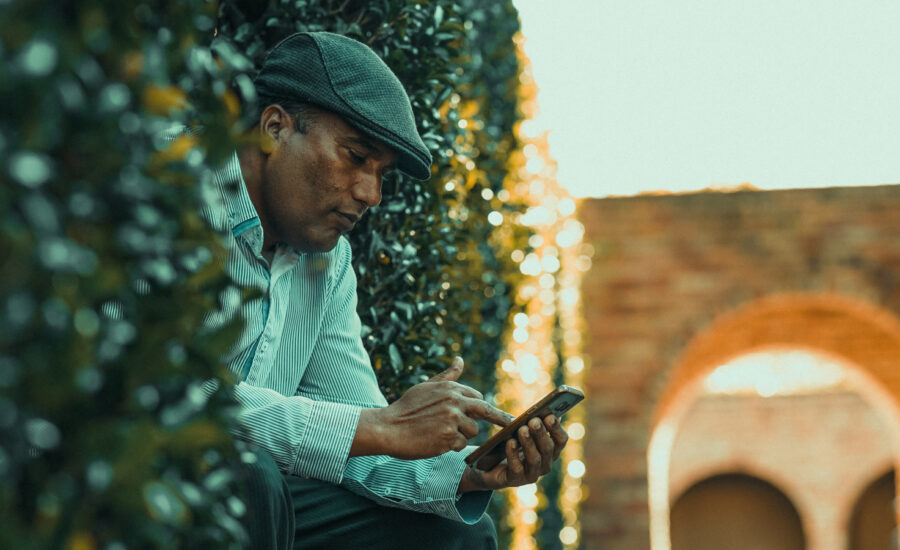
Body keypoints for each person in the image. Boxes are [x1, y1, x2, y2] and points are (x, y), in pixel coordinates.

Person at [202, 31, 569, 549]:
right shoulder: (175, 197)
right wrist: (376, 427)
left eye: (381, 174)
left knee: (456, 537)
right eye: (355, 157)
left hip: (262, 508)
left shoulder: (328, 264)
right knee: (250, 476)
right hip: (123, 487)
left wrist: (470, 473)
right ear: (275, 128)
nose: (370, 194)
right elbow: (164, 394)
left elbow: (366, 435)